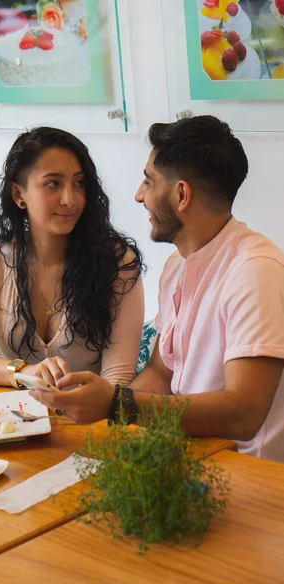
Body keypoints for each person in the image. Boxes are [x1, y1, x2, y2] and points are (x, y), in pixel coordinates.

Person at [29, 115, 284, 463]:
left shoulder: (255, 271)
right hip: (182, 458)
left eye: (148, 181)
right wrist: (107, 418)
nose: (138, 195)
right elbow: (163, 373)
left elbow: (244, 414)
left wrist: (117, 403)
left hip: (248, 477)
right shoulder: (177, 265)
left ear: (181, 194)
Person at [0, 127, 145, 388]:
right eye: (53, 183)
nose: (70, 199)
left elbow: (117, 378)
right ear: (19, 194)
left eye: (79, 182)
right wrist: (23, 372)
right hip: (18, 419)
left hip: (91, 418)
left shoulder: (117, 262)